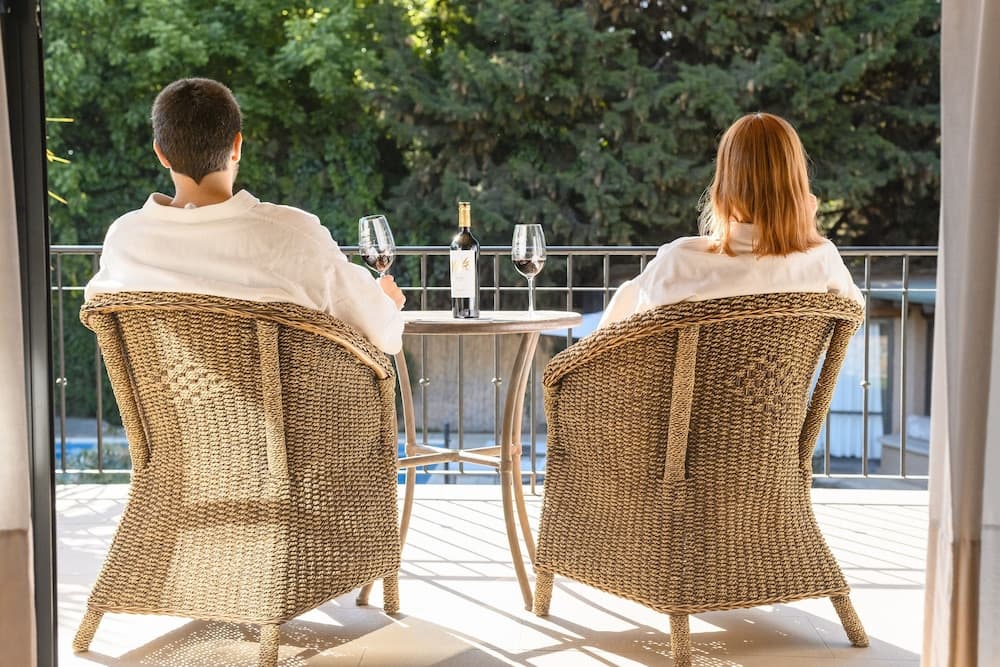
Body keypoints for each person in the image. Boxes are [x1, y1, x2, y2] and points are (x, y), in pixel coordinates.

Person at [85, 78, 405, 354]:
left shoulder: (124, 238)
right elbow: (385, 335)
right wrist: (386, 305)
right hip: (289, 410)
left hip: (164, 410)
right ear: (237, 146)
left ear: (161, 153)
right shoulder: (294, 235)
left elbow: (99, 316)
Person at [597, 112, 864, 330]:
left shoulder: (681, 262)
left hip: (689, 385)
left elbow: (611, 335)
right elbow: (853, 316)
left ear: (726, 184)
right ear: (796, 183)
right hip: (788, 385)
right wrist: (804, 227)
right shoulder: (822, 260)